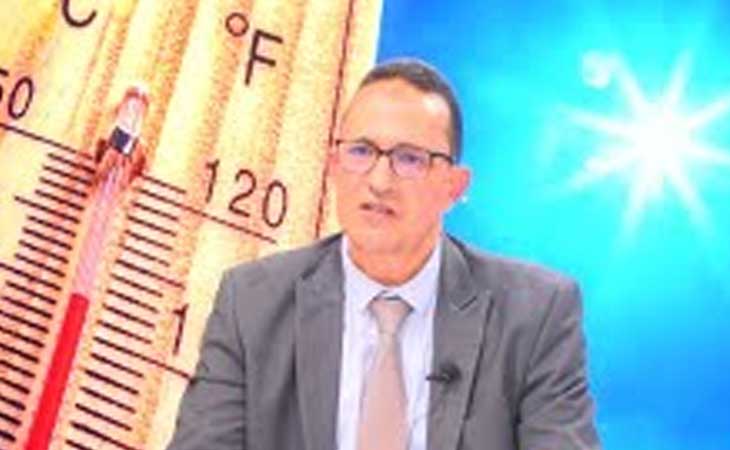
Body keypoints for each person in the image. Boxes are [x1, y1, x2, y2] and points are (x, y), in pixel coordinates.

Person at [166, 58, 601, 450]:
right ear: (334, 166)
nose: (378, 181)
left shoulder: (537, 315)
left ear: (454, 187)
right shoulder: (250, 302)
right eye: (360, 151)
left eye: (409, 159)